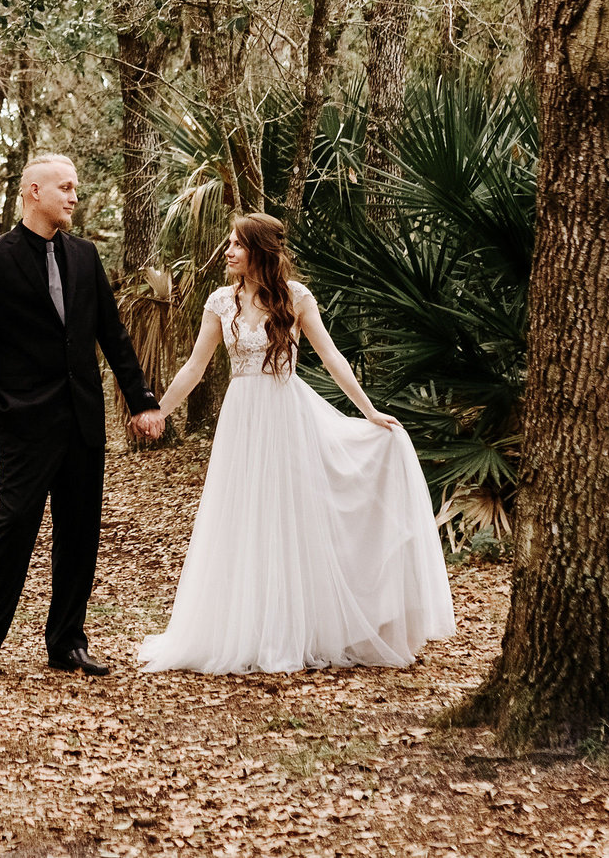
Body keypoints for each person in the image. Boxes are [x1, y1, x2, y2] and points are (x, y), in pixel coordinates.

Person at [137, 211, 455, 675]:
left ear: (260, 250)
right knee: (243, 516)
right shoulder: (220, 302)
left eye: (237, 244)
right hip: (242, 419)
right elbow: (194, 366)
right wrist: (159, 410)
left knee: (289, 515)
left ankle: (297, 626)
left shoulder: (296, 298)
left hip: (286, 413)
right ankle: (243, 626)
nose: (227, 251)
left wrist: (368, 411)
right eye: (229, 243)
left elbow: (331, 357)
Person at [0, 153, 166, 680]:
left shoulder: (85, 257)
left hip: (84, 419)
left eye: (76, 188)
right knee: (13, 526)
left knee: (79, 532)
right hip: (25, 421)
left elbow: (114, 337)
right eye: (64, 187)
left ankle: (67, 642)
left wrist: (143, 399)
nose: (73, 197)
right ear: (32, 192)